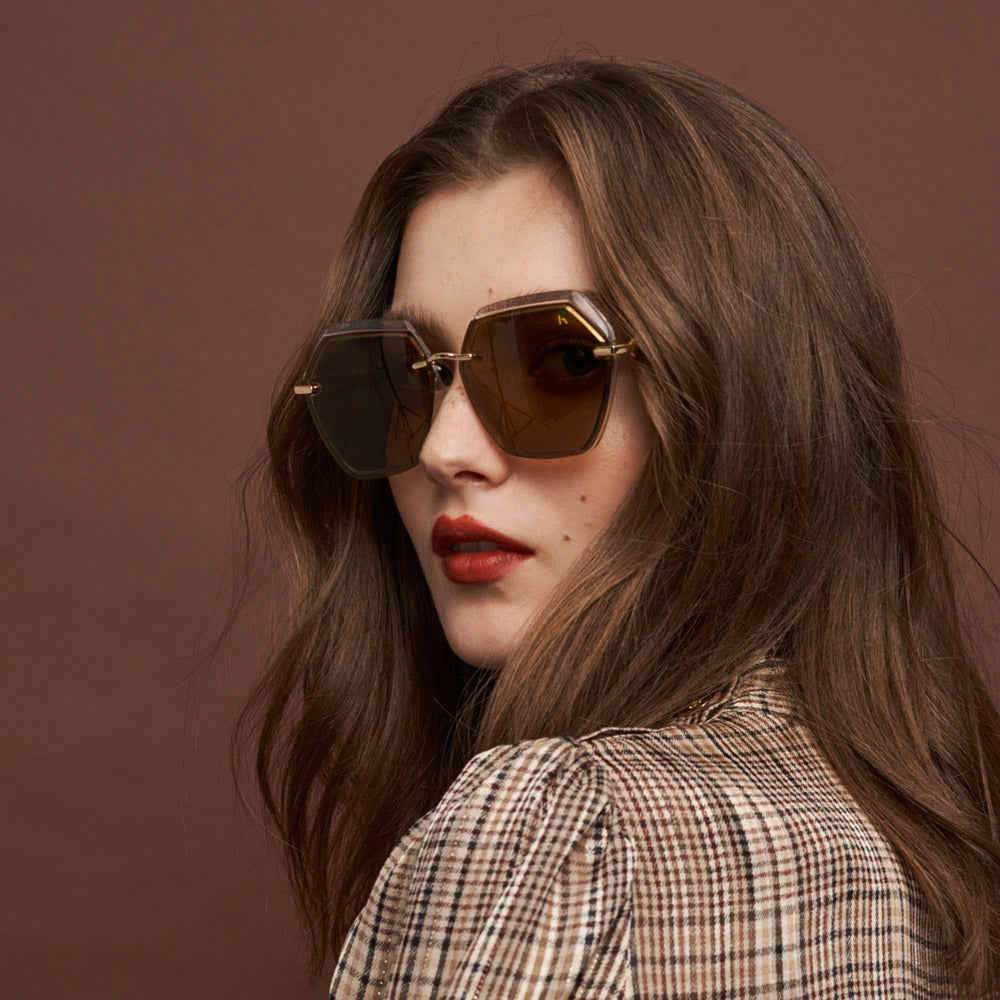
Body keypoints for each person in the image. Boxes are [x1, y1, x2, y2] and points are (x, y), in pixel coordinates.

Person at [238, 58, 1000, 997]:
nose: (444, 449)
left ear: (737, 401)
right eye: (403, 371)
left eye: (558, 363)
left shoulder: (561, 832)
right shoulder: (926, 840)